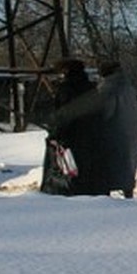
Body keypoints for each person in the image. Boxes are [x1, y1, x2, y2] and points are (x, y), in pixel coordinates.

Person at [51, 59, 137, 198]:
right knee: (125, 175)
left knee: (105, 175)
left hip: (109, 137)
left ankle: (107, 200)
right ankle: (127, 196)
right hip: (129, 136)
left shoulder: (108, 88)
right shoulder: (128, 87)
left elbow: (103, 114)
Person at [40, 59, 98, 195]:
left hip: (69, 139)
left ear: (65, 72)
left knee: (64, 172)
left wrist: (54, 135)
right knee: (84, 175)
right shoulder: (92, 89)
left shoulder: (65, 89)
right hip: (90, 139)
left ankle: (61, 192)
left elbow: (62, 116)